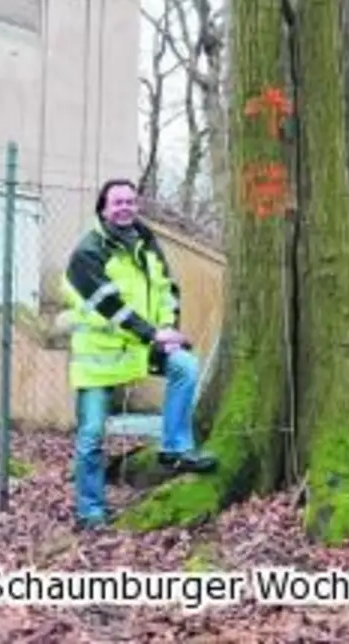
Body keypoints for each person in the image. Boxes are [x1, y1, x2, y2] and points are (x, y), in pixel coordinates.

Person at [60, 178, 216, 529]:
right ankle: (91, 511)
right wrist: (154, 334)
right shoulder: (88, 252)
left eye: (130, 201)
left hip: (142, 347)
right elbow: (109, 306)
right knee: (91, 436)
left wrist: (168, 329)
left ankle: (175, 448)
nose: (125, 207)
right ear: (103, 207)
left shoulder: (146, 242)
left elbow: (166, 290)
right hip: (99, 359)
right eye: (117, 202)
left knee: (185, 365)